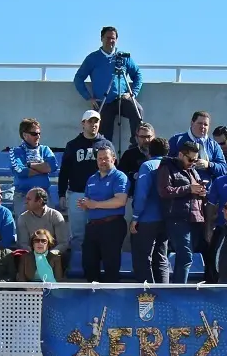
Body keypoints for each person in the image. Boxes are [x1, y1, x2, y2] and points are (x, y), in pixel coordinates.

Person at [74, 26, 144, 147]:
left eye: (113, 38)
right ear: (102, 39)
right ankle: (106, 157)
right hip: (103, 101)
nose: (110, 41)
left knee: (137, 111)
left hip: (122, 98)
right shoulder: (93, 58)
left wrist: (133, 93)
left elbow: (137, 74)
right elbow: (78, 78)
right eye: (107, 38)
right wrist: (88, 97)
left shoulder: (123, 58)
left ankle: (136, 144)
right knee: (105, 136)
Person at [59, 110, 111, 255]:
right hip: (78, 193)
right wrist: (61, 193)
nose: (93, 124)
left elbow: (114, 171)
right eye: (90, 121)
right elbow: (64, 171)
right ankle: (78, 265)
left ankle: (96, 265)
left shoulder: (106, 145)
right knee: (78, 235)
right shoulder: (73, 145)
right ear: (83, 123)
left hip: (101, 197)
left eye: (96, 121)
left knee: (100, 234)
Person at [159, 140, 207, 284]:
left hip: (194, 218)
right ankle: (179, 289)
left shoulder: (192, 170)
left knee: (187, 255)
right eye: (190, 159)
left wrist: (202, 191)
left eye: (195, 160)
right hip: (177, 217)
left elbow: (195, 188)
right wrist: (188, 189)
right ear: (181, 154)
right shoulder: (167, 167)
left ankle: (179, 287)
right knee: (185, 256)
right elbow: (164, 191)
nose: (192, 162)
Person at [80, 144, 129, 283]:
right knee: (89, 265)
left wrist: (95, 204)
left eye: (105, 158)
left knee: (111, 267)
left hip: (112, 225)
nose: (102, 161)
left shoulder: (120, 177)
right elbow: (88, 202)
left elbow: (120, 200)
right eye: (99, 158)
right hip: (93, 226)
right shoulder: (92, 178)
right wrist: (85, 204)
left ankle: (111, 301)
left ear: (113, 159)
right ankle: (92, 301)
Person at [130, 138, 169, 284]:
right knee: (161, 258)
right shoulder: (171, 165)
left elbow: (141, 194)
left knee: (142, 259)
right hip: (166, 219)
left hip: (147, 219)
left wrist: (135, 217)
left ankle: (147, 296)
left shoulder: (147, 166)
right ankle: (164, 293)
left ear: (149, 151)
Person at [9, 118, 58, 214]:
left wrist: (29, 165)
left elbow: (52, 166)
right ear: (24, 135)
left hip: (43, 195)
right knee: (24, 227)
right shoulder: (15, 151)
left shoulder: (45, 149)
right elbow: (21, 171)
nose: (38, 136)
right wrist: (42, 170)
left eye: (39, 133)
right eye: (34, 134)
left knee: (47, 227)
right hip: (23, 196)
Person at [168, 111, 227, 183]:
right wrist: (185, 162)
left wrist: (208, 165)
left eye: (205, 124)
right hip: (184, 190)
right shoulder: (176, 140)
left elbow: (223, 169)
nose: (202, 127)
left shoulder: (213, 145)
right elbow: (167, 163)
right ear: (192, 123)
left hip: (207, 191)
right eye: (200, 123)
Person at [16, 187, 70, 254]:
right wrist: (36, 256)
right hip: (31, 256)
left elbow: (63, 243)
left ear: (40, 201)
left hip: (53, 256)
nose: (25, 202)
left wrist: (50, 254)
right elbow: (23, 244)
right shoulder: (23, 218)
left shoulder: (55, 216)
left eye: (29, 199)